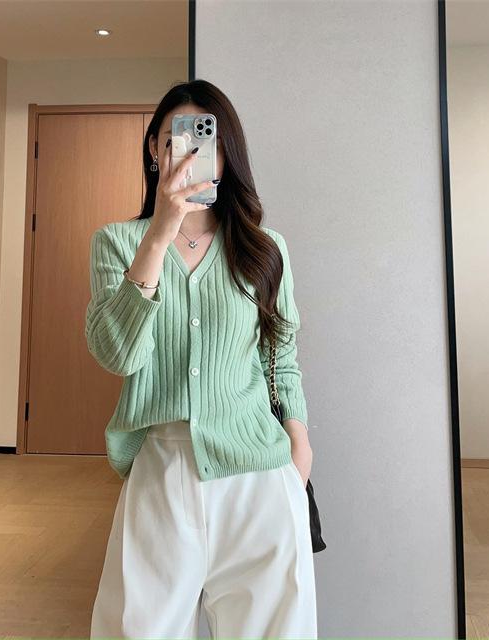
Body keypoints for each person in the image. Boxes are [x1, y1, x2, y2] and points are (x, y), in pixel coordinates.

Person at [86, 79, 316, 639]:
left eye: (203, 139)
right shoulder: (117, 243)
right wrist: (159, 234)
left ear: (224, 151)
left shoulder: (265, 249)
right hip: (161, 471)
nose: (188, 151)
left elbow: (281, 356)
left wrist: (299, 445)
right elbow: (118, 354)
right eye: (175, 138)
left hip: (260, 475)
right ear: (154, 148)